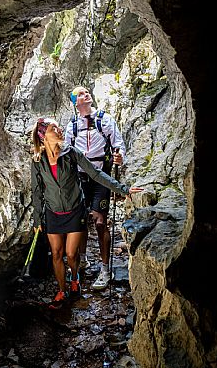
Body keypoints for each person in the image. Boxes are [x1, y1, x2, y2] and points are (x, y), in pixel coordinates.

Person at [31, 117, 142, 309]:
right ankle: (61, 290)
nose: (59, 130)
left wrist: (123, 189)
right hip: (52, 212)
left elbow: (95, 174)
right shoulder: (38, 160)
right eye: (53, 128)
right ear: (43, 136)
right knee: (56, 254)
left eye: (58, 126)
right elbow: (37, 190)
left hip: (75, 209)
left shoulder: (71, 153)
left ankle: (75, 278)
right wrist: (37, 219)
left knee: (71, 254)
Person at [65, 86, 127, 290]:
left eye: (87, 92)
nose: (87, 94)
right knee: (81, 220)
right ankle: (82, 260)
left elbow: (118, 144)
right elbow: (65, 151)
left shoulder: (104, 119)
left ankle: (105, 269)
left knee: (100, 222)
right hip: (80, 177)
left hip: (101, 175)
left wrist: (119, 156)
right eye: (81, 94)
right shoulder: (72, 126)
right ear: (76, 102)